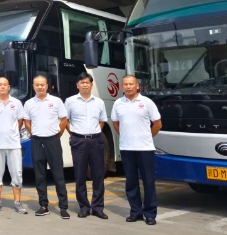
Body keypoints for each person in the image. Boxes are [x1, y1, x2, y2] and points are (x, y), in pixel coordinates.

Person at [111, 75, 162, 225]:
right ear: (122, 87)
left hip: (145, 148)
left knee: (148, 181)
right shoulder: (118, 103)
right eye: (125, 84)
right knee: (131, 182)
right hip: (127, 148)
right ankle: (135, 212)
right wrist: (125, 136)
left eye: (131, 84)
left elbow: (157, 124)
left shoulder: (146, 102)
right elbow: (115, 123)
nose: (128, 87)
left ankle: (150, 214)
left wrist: (147, 137)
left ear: (137, 86)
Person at [24, 75, 69, 219]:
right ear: (33, 86)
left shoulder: (56, 101)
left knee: (58, 174)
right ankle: (43, 205)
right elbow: (27, 122)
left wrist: (56, 135)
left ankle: (63, 207)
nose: (40, 87)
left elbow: (63, 120)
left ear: (47, 86)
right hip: (37, 141)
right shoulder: (29, 103)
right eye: (37, 85)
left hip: (52, 140)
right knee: (40, 175)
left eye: (42, 84)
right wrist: (34, 134)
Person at [65, 72, 108, 219]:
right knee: (80, 175)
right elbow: (66, 120)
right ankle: (83, 207)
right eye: (82, 82)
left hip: (96, 140)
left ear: (91, 85)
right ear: (77, 85)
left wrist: (95, 132)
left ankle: (97, 207)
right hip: (78, 141)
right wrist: (74, 134)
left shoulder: (99, 102)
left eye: (87, 82)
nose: (84, 85)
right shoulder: (70, 101)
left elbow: (102, 121)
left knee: (98, 175)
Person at [0, 77, 27, 215]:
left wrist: (12, 132)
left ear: (9, 87)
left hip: (13, 144)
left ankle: (17, 202)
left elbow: (20, 121)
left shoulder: (17, 103)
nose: (2, 87)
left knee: (17, 174)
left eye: (5, 85)